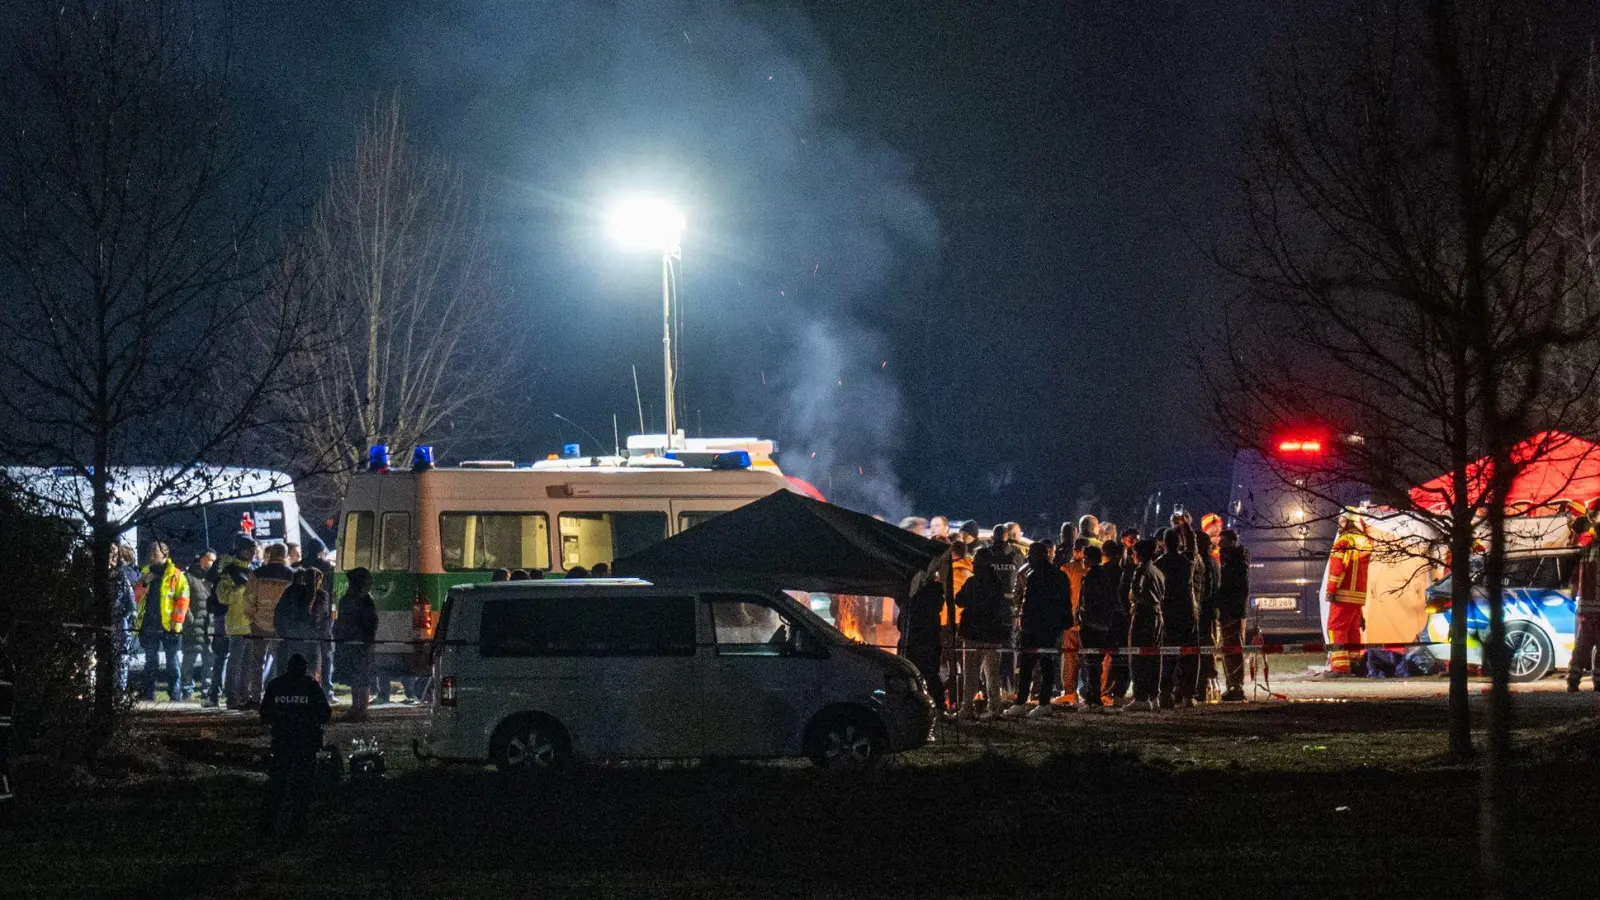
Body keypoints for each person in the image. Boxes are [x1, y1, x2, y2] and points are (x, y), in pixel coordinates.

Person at [259, 653, 330, 838]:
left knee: (277, 786)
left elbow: (265, 714)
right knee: (303, 787)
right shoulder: (311, 686)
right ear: (305, 669)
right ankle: (298, 826)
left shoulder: (276, 685)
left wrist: (283, 719)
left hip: (282, 743)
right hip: (306, 744)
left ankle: (267, 825)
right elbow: (325, 714)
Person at [1005, 540, 1071, 718]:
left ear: (1038, 555)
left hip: (1034, 628)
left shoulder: (1034, 576)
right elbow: (1066, 601)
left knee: (1027, 666)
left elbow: (1028, 605)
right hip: (1051, 627)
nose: (1028, 558)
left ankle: (1022, 702)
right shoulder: (1059, 574)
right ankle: (1043, 702)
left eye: (1031, 554)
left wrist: (1024, 626)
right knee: (1047, 665)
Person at [954, 544, 1011, 718]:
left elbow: (960, 600)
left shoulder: (974, 582)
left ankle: (968, 708)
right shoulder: (997, 582)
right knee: (992, 673)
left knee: (971, 672)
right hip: (993, 634)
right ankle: (994, 708)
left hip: (973, 632)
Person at [137, 542, 191, 701]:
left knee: (172, 662)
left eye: (155, 551)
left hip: (170, 626)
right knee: (150, 662)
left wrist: (177, 621)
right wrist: (145, 583)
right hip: (149, 625)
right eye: (150, 551)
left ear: (165, 554)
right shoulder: (145, 572)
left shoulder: (176, 574)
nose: (152, 554)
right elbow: (137, 597)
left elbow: (183, 599)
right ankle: (148, 693)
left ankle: (175, 693)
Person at [243, 544, 295, 707]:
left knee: (257, 662)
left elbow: (249, 598)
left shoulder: (257, 573)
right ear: (285, 556)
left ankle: (256, 697)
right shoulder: (291, 575)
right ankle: (280, 696)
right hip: (281, 626)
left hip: (259, 623)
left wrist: (251, 618)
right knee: (282, 663)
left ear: (270, 555)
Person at [1154, 528, 1200, 708]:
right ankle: (1188, 695)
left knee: (1168, 655)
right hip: (1187, 611)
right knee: (1190, 655)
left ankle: (1165, 693)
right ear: (1179, 542)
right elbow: (1193, 549)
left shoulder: (1158, 564)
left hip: (1168, 612)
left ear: (1164, 543)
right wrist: (1187, 528)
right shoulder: (1187, 562)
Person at [1323, 512, 1372, 676]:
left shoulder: (1344, 541)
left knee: (1336, 628)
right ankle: (1355, 665)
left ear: (1350, 522)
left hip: (1342, 594)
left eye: (1343, 521)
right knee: (1353, 630)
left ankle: (1340, 668)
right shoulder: (1365, 541)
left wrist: (1331, 590)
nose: (1340, 524)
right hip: (1358, 596)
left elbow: (1338, 569)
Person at [1077, 544, 1121, 711]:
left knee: (1091, 664)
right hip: (1103, 626)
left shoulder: (1091, 577)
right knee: (1096, 663)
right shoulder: (1105, 575)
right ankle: (1092, 698)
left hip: (1091, 626)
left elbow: (1087, 602)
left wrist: (1083, 620)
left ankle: (1093, 700)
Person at [216, 538, 257, 709]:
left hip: (252, 624)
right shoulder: (229, 571)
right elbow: (223, 597)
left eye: (254, 550)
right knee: (235, 663)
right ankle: (232, 697)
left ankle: (244, 696)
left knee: (248, 664)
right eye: (249, 550)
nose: (252, 553)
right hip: (237, 623)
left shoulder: (252, 571)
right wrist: (240, 589)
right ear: (240, 550)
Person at [1126, 539, 1165, 711]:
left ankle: (1140, 697)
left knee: (1138, 656)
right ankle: (1153, 695)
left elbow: (1135, 593)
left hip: (1143, 616)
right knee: (1155, 657)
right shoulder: (1158, 571)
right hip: (1158, 616)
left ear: (1139, 555)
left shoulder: (1141, 571)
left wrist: (1133, 598)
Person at [335, 567, 379, 722]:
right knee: (355, 677)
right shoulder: (350, 599)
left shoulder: (365, 600)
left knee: (362, 677)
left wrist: (365, 640)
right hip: (351, 644)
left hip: (361, 645)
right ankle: (356, 706)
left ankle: (361, 708)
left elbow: (371, 623)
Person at [901, 571, 948, 716]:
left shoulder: (916, 602)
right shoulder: (935, 601)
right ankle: (938, 705)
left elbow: (902, 624)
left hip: (916, 643)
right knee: (931, 674)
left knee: (914, 674)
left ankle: (920, 705)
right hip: (931, 643)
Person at [1215, 530, 1250, 702]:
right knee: (1229, 651)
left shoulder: (1234, 562)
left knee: (1233, 650)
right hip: (1231, 611)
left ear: (1231, 542)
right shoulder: (1235, 560)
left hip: (1232, 612)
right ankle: (1233, 686)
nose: (1219, 545)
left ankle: (1236, 686)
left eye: (1222, 541)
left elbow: (1233, 588)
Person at [302, 538, 337, 704]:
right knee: (326, 654)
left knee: (306, 653)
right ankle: (327, 691)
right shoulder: (329, 568)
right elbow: (334, 593)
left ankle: (307, 688)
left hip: (304, 617)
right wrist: (333, 614)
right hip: (325, 617)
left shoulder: (301, 567)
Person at [1055, 537, 1090, 706]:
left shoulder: (1068, 569)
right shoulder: (1096, 569)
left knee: (1070, 658)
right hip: (1090, 623)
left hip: (1071, 621)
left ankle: (1070, 693)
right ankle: (1092, 693)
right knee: (1092, 659)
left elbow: (1061, 595)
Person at [182, 549, 217, 701]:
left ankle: (206, 689)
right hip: (193, 626)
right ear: (202, 559)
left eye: (214, 561)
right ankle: (186, 688)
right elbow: (183, 601)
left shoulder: (213, 579)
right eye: (210, 559)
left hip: (209, 626)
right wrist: (189, 620)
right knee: (189, 659)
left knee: (209, 661)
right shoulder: (188, 577)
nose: (212, 563)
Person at [274, 568, 322, 676]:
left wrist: (283, 632)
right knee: (307, 670)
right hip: (309, 637)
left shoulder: (290, 591)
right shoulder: (317, 595)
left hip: (290, 636)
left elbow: (279, 614)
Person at [1569, 535, 1600, 691]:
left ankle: (1573, 680)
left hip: (1586, 609)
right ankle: (1598, 683)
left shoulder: (1585, 552)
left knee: (1582, 647)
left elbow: (1574, 581)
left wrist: (1575, 596)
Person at [1193, 528, 1220, 701]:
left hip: (1204, 612)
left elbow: (1205, 590)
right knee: (1206, 649)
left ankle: (1201, 688)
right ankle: (1205, 685)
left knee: (1201, 649)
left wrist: (1198, 607)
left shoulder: (1204, 563)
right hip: (1209, 611)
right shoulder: (1212, 561)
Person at [110, 545, 139, 696]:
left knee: (122, 657)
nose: (113, 558)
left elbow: (130, 598)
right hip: (103, 622)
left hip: (120, 621)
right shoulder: (95, 575)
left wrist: (131, 614)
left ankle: (119, 691)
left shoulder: (121, 576)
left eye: (115, 554)